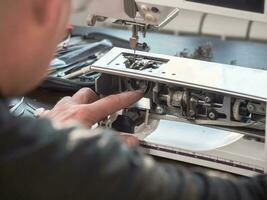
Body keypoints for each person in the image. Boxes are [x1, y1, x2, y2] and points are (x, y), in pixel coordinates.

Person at [0, 1, 266, 200]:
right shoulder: (41, 161)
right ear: (47, 8)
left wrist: (44, 140)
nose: (68, 28)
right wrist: (54, 150)